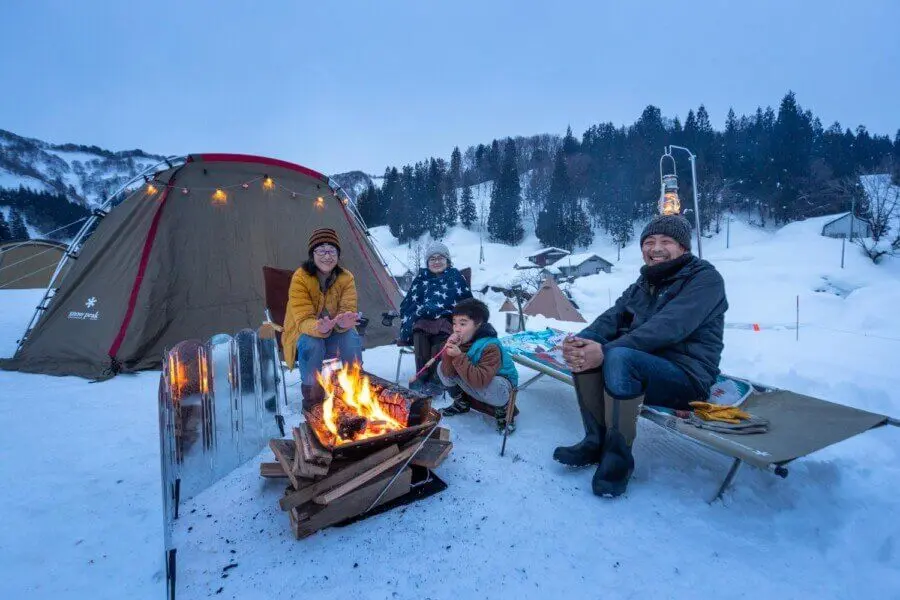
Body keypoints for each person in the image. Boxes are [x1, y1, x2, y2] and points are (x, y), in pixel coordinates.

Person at [553, 214, 728, 498]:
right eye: (649, 242)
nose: (656, 248)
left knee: (619, 356)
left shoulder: (705, 279)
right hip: (640, 368)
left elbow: (669, 327)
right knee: (589, 348)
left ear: (683, 247)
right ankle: (594, 441)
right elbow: (612, 317)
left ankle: (617, 460)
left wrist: (606, 351)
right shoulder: (644, 283)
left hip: (685, 376)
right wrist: (580, 341)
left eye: (665, 241)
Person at [282, 227, 363, 410]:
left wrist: (343, 322)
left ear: (338, 254)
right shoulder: (300, 278)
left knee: (351, 337)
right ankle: (313, 399)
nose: (327, 256)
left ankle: (355, 391)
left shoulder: (346, 278)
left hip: (334, 335)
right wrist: (320, 327)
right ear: (312, 254)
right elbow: (302, 321)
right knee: (313, 342)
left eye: (332, 251)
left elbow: (348, 310)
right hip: (305, 334)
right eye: (321, 250)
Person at [398, 241, 472, 396]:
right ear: (427, 262)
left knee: (441, 337)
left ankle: (436, 380)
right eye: (432, 258)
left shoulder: (455, 277)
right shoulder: (421, 278)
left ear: (447, 260)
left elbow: (467, 303)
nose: (436, 261)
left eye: (440, 258)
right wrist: (417, 312)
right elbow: (410, 302)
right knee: (419, 333)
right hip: (423, 320)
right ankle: (422, 376)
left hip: (447, 320)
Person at [437, 298, 519, 432]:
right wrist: (448, 353)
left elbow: (480, 380)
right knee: (441, 368)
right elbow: (448, 372)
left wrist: (458, 356)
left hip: (500, 388)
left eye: (463, 324)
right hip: (476, 381)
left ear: (478, 324)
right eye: (454, 324)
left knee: (494, 385)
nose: (457, 329)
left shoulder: (490, 346)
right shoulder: (464, 340)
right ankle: (461, 403)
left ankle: (503, 412)